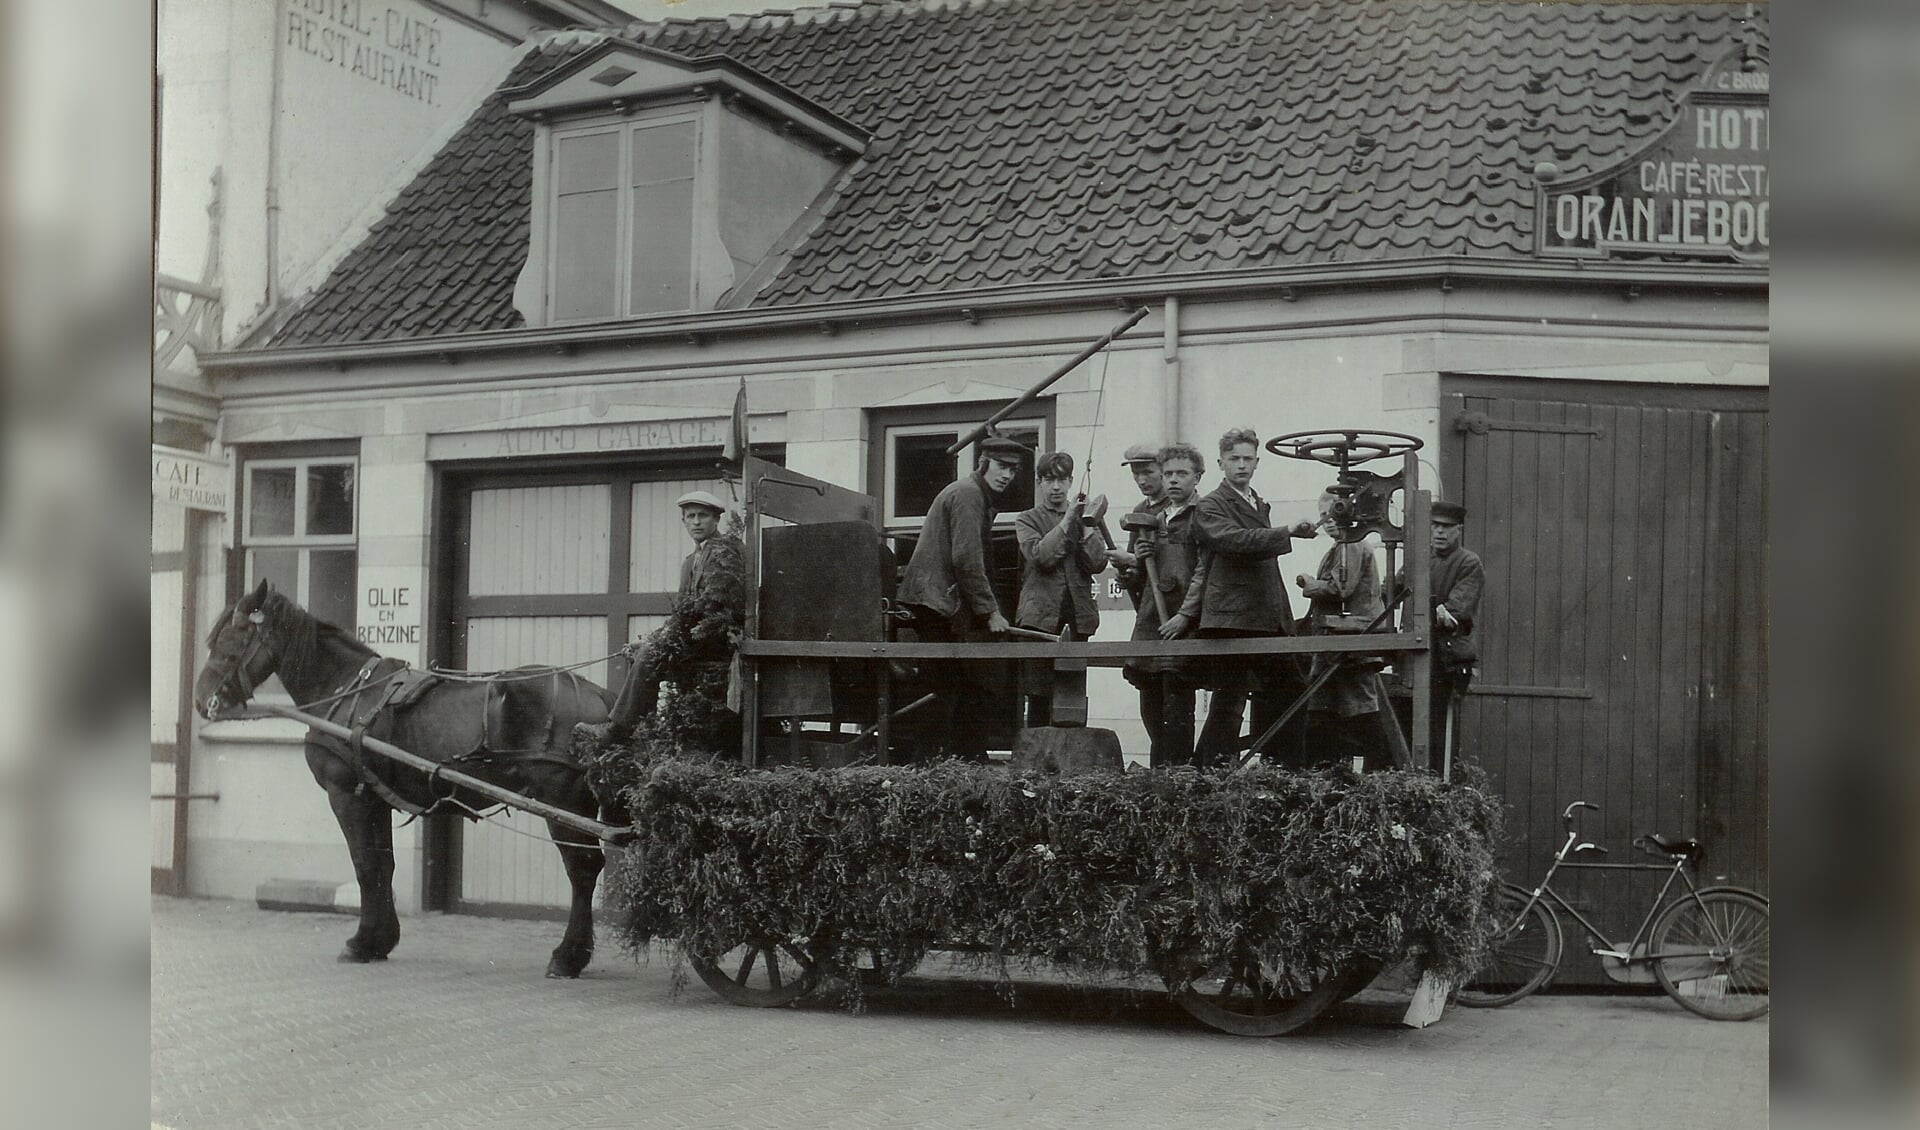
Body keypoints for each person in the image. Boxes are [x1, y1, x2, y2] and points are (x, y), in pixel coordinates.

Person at [1190, 428, 1317, 769]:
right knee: (1230, 701)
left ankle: (1281, 771)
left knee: (1290, 691)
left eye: (1248, 459)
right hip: (1233, 619)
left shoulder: (1258, 502)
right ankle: (1210, 773)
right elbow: (1236, 541)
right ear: (1221, 463)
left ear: (1257, 462)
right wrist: (1286, 532)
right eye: (1234, 459)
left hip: (1265, 618)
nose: (1241, 465)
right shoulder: (1210, 505)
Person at [896, 433, 1028, 762]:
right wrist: (991, 613)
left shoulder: (974, 495)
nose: (1006, 475)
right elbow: (967, 561)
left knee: (958, 685)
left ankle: (958, 759)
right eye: (1000, 467)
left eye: (1013, 470)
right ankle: (929, 764)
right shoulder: (969, 495)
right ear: (983, 464)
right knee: (945, 688)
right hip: (936, 603)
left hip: (940, 602)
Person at [598, 490, 746, 742]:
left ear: (716, 520)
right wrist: (653, 638)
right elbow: (683, 611)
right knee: (640, 652)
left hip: (716, 640)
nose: (697, 522)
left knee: (648, 655)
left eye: (703, 516)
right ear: (684, 522)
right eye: (691, 516)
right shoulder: (690, 562)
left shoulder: (726, 553)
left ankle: (619, 729)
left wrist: (658, 643)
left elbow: (715, 607)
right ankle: (646, 731)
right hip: (694, 637)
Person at [1122, 442, 1212, 767]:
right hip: (1151, 624)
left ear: (1197, 477)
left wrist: (1186, 616)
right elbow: (1141, 581)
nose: (1173, 480)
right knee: (1151, 707)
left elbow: (1205, 570)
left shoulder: (1203, 515)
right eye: (1169, 473)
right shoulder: (1154, 519)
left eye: (1181, 474)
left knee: (1176, 707)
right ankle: (1159, 781)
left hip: (1182, 627)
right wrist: (1137, 565)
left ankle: (1175, 778)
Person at [1013, 451, 1108, 726]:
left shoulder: (1084, 516)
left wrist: (1087, 524)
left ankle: (1070, 766)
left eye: (1062, 479)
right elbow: (1041, 557)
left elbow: (1098, 562)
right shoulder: (1027, 519)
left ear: (1071, 482)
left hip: (1077, 618)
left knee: (1072, 694)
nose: (1056, 487)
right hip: (1038, 621)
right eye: (1049, 479)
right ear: (1039, 482)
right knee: (1039, 696)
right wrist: (1067, 522)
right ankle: (1037, 765)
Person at [1296, 490, 1386, 771]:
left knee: (1359, 707)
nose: (1330, 521)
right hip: (1334, 640)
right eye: (1325, 516)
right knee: (1321, 708)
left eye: (1335, 515)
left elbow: (1341, 589)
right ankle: (1325, 773)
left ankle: (1382, 773)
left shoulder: (1354, 545)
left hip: (1355, 637)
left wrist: (1310, 585)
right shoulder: (1338, 548)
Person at [1426, 500, 1484, 772]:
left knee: (1442, 727)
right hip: (1422, 654)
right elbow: (1394, 588)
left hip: (1449, 659)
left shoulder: (1468, 562)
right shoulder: (1422, 558)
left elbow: (1455, 612)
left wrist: (1438, 612)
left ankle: (1442, 783)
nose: (1439, 532)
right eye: (1435, 526)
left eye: (1446, 527)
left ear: (1458, 529)